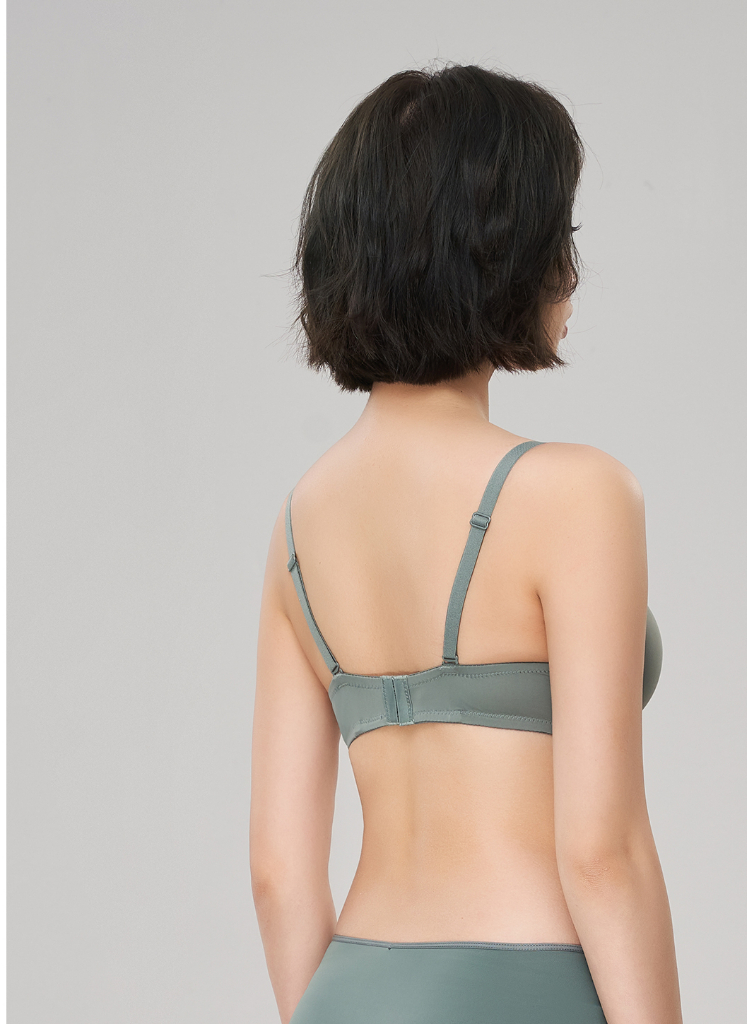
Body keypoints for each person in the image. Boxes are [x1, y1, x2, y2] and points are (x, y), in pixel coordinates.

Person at [250, 63, 682, 1024]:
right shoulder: (578, 494)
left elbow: (279, 871)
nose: (570, 269)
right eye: (556, 235)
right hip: (527, 987)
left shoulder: (299, 525)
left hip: (346, 991)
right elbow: (602, 851)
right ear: (498, 253)